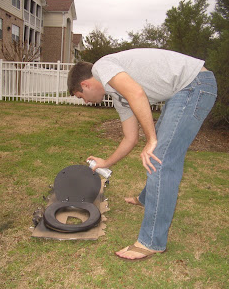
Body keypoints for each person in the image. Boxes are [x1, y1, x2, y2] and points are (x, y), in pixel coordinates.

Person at [67, 48, 217, 261]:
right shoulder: (118, 95)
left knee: (160, 160)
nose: (85, 101)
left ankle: (151, 242)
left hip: (195, 85)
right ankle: (147, 198)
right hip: (184, 90)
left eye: (81, 97)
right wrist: (106, 162)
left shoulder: (102, 67)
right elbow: (130, 138)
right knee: (158, 154)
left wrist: (152, 139)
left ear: (85, 84)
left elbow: (137, 93)